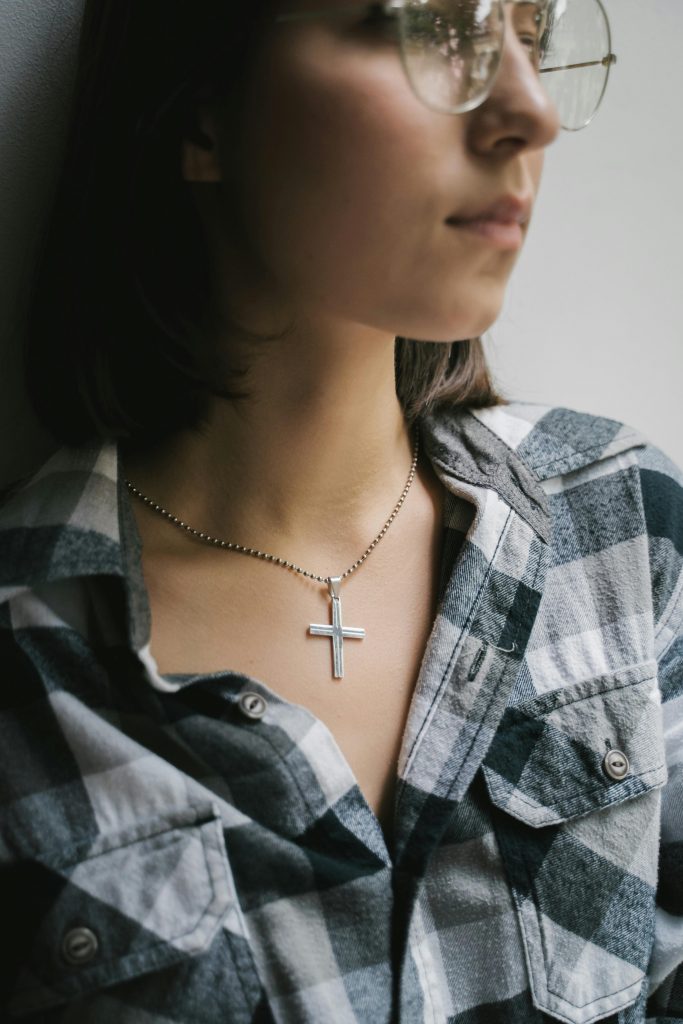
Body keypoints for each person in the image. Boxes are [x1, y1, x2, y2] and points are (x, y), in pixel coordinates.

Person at [1, 0, 681, 1021]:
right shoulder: (28, 660)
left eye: (529, 33)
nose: (528, 109)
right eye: (428, 26)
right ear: (200, 115)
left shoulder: (623, 528)